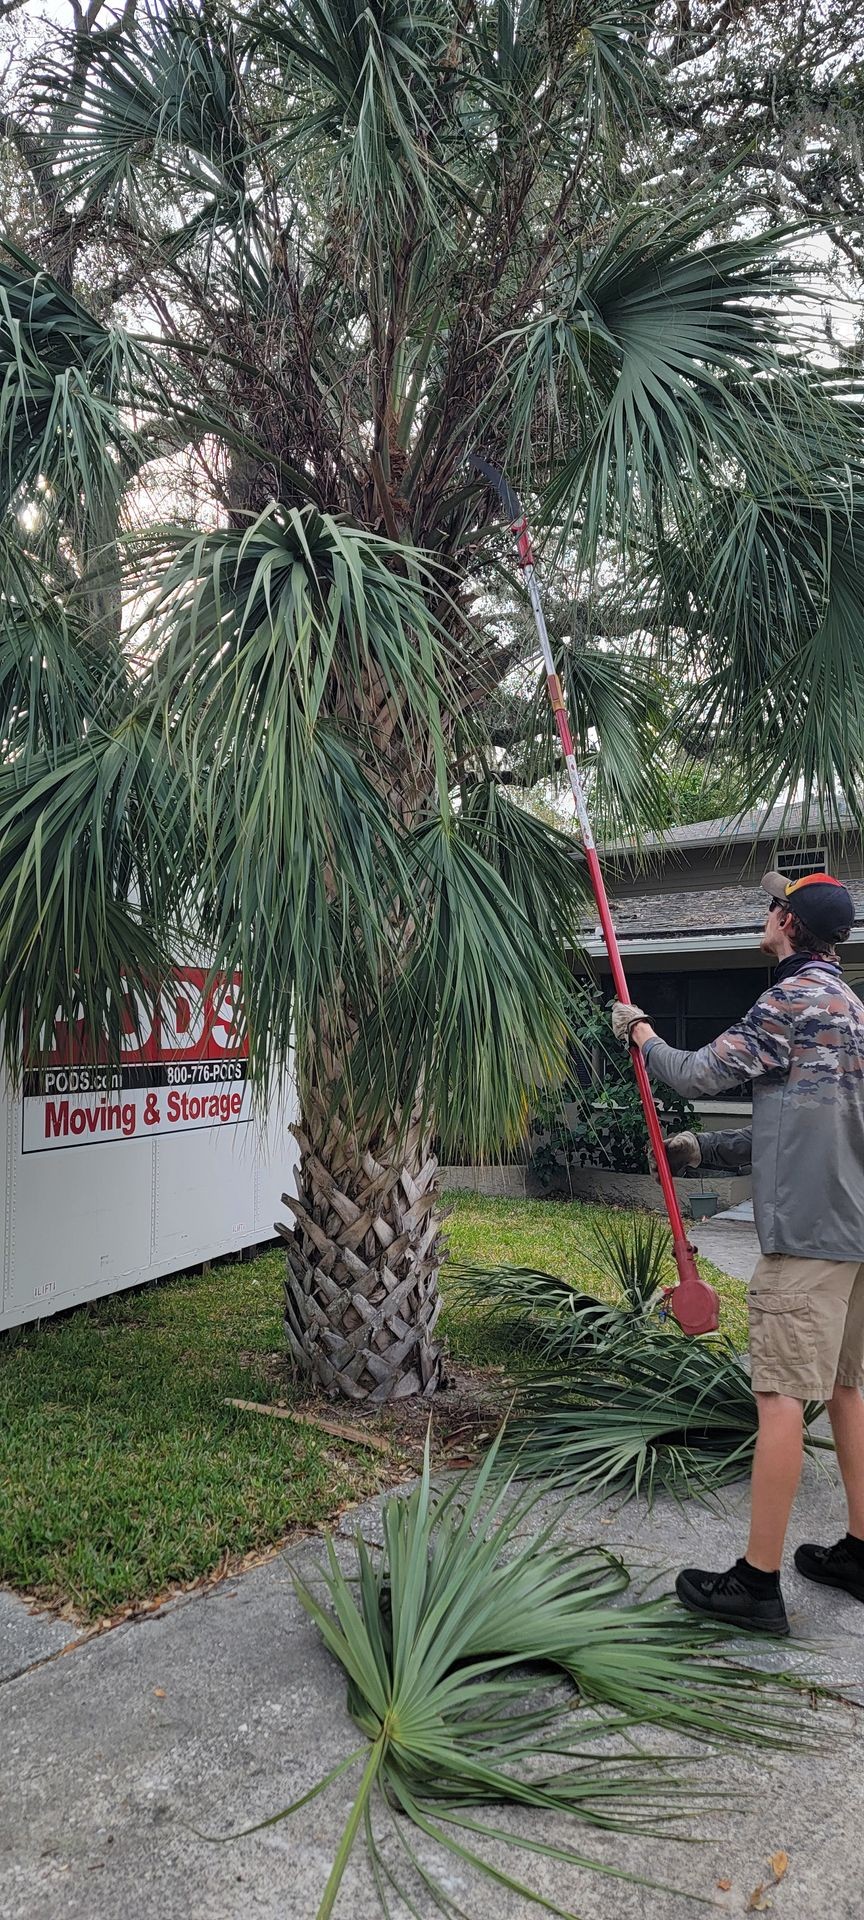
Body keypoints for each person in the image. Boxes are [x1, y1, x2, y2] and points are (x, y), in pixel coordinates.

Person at [611, 869, 864, 1635]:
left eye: (770, 906)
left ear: (787, 921)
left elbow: (696, 1071)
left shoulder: (787, 1000)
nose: (764, 914)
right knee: (849, 1389)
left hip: (807, 1238)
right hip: (853, 1232)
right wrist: (706, 1148)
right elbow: (803, 1121)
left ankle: (756, 1585)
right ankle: (861, 1551)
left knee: (780, 1396)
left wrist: (640, 1032)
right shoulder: (851, 1006)